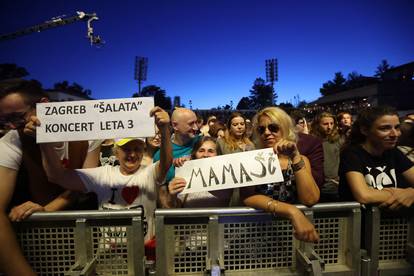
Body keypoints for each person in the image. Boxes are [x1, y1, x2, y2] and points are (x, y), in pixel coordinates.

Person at [0, 79, 101, 276]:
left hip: (82, 229)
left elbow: (83, 185)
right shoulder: (11, 141)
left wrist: (46, 210)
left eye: (18, 117)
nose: (12, 126)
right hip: (35, 240)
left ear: (44, 105)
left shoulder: (89, 131)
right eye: (5, 120)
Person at [38, 106, 172, 241]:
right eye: (126, 149)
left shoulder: (149, 173)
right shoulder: (103, 174)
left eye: (137, 149)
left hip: (143, 253)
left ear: (143, 151)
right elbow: (58, 176)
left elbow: (166, 162)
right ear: (116, 152)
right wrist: (43, 140)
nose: (132, 154)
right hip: (109, 256)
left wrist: (165, 130)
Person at [243, 107, 320, 242]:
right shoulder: (252, 160)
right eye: (261, 130)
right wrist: (292, 211)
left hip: (292, 234)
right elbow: (248, 197)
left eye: (273, 128)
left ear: (285, 128)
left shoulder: (302, 160)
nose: (267, 133)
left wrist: (295, 157)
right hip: (257, 233)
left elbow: (310, 199)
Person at [339, 106, 414, 209]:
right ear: (365, 130)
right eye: (385, 128)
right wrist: (404, 194)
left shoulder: (393, 152)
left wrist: (411, 192)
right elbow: (363, 195)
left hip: (388, 224)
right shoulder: (352, 154)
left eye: (396, 127)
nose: (395, 134)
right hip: (361, 223)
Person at [153, 107, 200, 207]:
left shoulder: (202, 143)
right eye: (191, 124)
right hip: (177, 210)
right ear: (175, 125)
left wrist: (193, 160)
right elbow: (160, 192)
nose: (196, 127)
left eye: (196, 122)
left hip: (204, 206)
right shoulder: (161, 155)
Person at [167, 136, 233, 207]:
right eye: (201, 151)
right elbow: (177, 206)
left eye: (211, 151)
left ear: (218, 154)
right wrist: (172, 196)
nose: (205, 155)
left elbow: (227, 197)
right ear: (195, 153)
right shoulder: (186, 174)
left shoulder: (226, 176)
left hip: (217, 217)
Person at [216, 112, 255, 206]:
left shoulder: (251, 145)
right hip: (230, 188)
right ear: (229, 127)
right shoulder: (221, 142)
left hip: (248, 188)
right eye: (235, 124)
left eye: (242, 124)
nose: (239, 127)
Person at [311, 112, 342, 201]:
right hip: (318, 187)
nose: (329, 127)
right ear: (317, 125)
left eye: (331, 124)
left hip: (335, 187)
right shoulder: (312, 142)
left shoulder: (338, 140)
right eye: (325, 124)